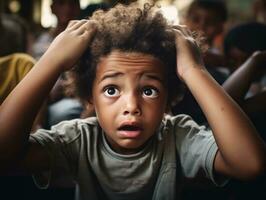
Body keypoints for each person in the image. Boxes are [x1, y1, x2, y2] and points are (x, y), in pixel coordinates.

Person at [0, 2, 265, 200]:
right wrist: (52, 60)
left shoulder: (180, 137)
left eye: (149, 91)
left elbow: (251, 164)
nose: (132, 107)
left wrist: (194, 70)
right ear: (90, 98)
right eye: (112, 90)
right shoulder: (78, 140)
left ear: (168, 99)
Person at [32, 0, 87, 128]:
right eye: (61, 4)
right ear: (52, 8)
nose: (67, 9)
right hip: (43, 95)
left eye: (72, 4)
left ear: (78, 8)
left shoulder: (87, 40)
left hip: (71, 95)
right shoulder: (41, 42)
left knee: (62, 113)